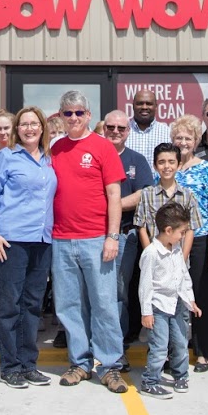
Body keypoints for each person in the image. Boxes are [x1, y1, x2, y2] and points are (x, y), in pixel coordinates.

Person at [49, 90, 127, 393]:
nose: (73, 118)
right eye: (67, 113)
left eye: (79, 113)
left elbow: (114, 196)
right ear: (60, 115)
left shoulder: (103, 147)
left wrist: (112, 236)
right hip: (61, 239)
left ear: (88, 115)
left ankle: (110, 366)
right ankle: (79, 363)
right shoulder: (55, 149)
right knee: (69, 306)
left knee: (104, 304)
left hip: (96, 239)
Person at [0, 106, 57, 389]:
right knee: (9, 305)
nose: (29, 128)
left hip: (42, 240)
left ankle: (29, 364)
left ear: (42, 128)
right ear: (17, 129)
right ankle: (10, 366)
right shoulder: (6, 156)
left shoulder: (49, 160)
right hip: (12, 240)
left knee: (32, 306)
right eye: (24, 124)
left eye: (34, 123)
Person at [170, 114, 208, 370]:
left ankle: (204, 351)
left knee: (201, 295)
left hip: (200, 237)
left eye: (187, 138)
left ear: (196, 140)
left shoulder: (206, 168)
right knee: (171, 296)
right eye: (178, 137)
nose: (182, 142)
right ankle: (174, 350)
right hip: (171, 240)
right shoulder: (166, 167)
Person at [102, 110, 155, 355]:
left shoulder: (137, 160)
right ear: (104, 128)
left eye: (121, 128)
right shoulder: (94, 156)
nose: (115, 132)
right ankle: (98, 338)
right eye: (110, 127)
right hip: (93, 233)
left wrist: (114, 205)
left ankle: (117, 341)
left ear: (128, 131)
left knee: (120, 291)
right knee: (94, 290)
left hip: (125, 235)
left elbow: (144, 193)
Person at [138, 202, 202, 400]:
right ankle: (150, 381)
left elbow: (183, 276)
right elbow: (145, 285)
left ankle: (180, 375)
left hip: (177, 304)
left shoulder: (175, 249)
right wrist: (146, 312)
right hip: (158, 306)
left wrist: (191, 300)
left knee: (181, 342)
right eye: (181, 232)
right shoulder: (151, 253)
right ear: (168, 230)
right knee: (159, 346)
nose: (183, 236)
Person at [125, 90, 171, 178]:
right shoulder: (123, 132)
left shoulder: (168, 133)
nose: (144, 107)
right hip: (129, 188)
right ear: (133, 106)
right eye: (140, 103)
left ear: (156, 107)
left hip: (159, 188)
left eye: (149, 104)